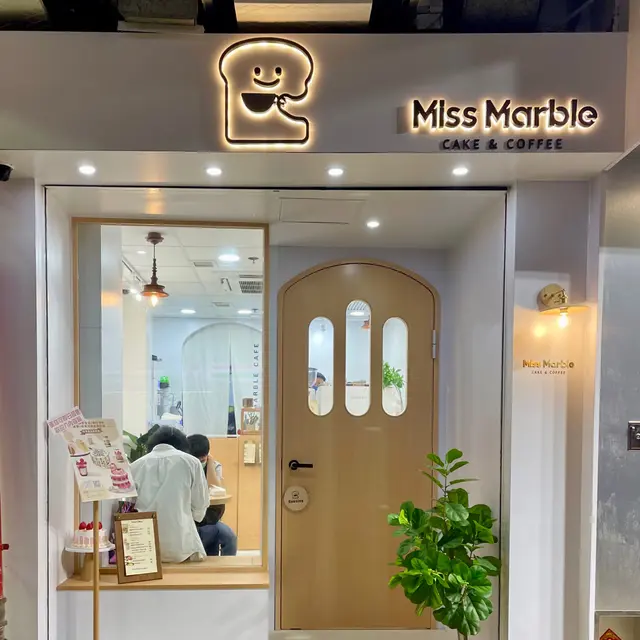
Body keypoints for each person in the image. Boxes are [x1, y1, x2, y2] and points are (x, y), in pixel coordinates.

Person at [130, 426, 208, 563]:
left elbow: (129, 506)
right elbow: (200, 505)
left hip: (145, 546)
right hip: (182, 545)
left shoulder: (135, 466)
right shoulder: (192, 463)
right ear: (182, 445)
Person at [187, 434, 238, 557]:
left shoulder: (214, 465)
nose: (199, 464)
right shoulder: (184, 466)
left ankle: (227, 566)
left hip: (210, 517)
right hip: (190, 519)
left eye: (202, 461)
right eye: (196, 460)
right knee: (207, 534)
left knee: (230, 537)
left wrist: (210, 465)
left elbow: (215, 490)